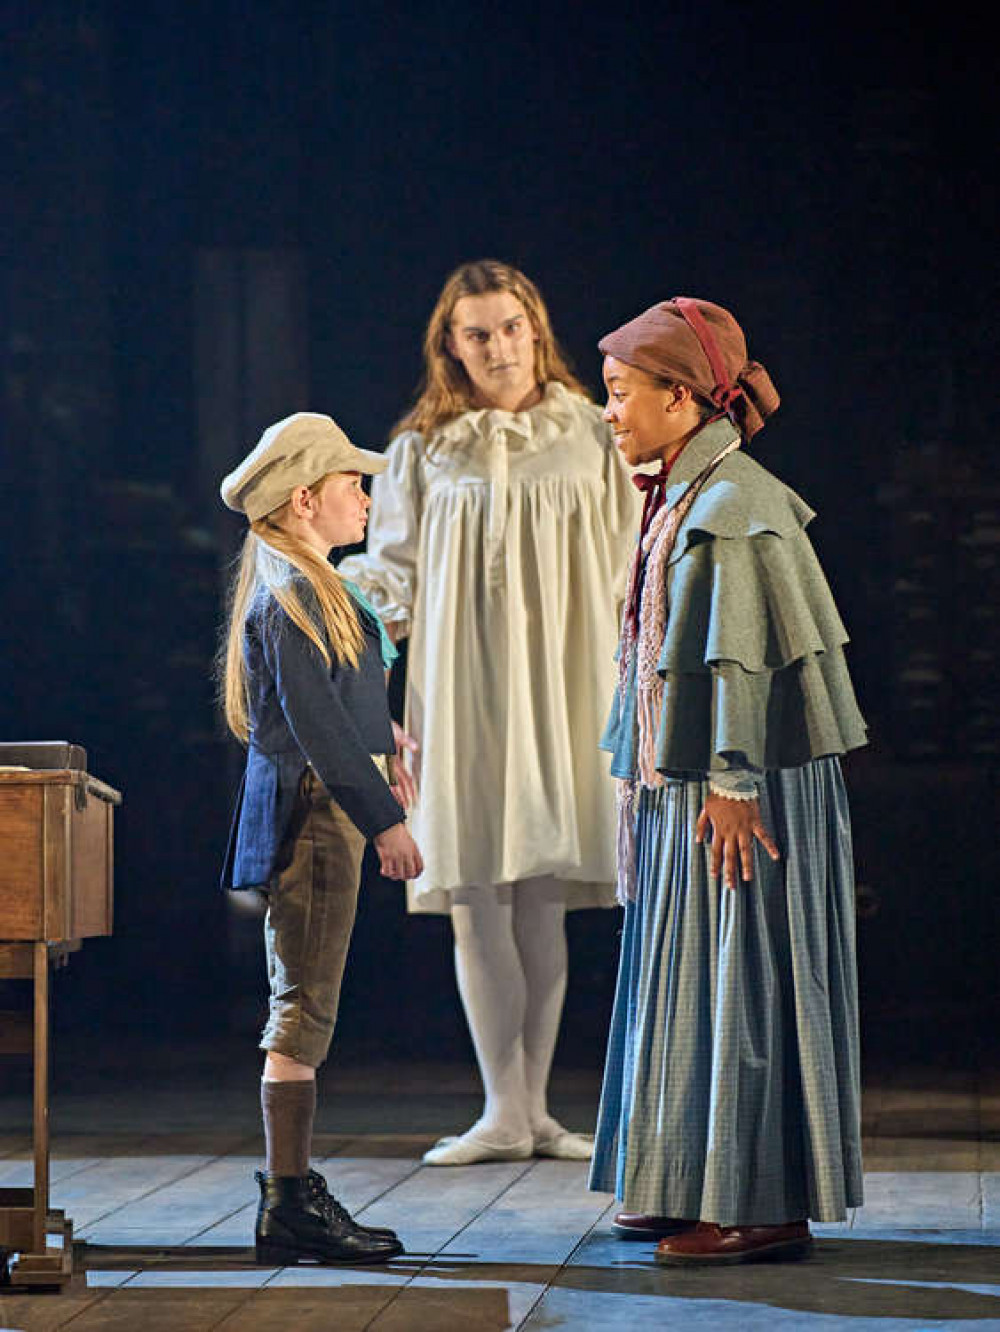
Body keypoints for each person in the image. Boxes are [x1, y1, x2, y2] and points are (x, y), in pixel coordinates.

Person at [339, 260, 640, 1165]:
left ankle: (538, 1110)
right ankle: (499, 1109)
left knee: (542, 897)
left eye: (511, 326)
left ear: (536, 328)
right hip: (461, 689)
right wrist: (330, 606)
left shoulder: (592, 434)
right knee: (475, 894)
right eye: (478, 333)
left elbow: (635, 560)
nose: (499, 346)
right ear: (451, 347)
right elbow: (388, 577)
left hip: (566, 682)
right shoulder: (423, 452)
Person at [589, 297, 868, 1264]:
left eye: (622, 394)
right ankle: (680, 1180)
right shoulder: (684, 491)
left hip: (737, 787)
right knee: (692, 972)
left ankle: (759, 1199)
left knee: (742, 973)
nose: (610, 412)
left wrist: (733, 782)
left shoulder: (734, 506)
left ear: (682, 395)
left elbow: (740, 662)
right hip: (694, 778)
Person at [219, 411, 423, 1263]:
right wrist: (387, 819)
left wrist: (391, 743)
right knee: (301, 1009)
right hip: (314, 816)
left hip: (328, 803)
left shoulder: (318, 586)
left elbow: (346, 702)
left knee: (310, 1005)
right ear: (305, 501)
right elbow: (315, 731)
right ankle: (289, 1203)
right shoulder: (291, 596)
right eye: (353, 485)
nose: (366, 500)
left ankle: (293, 1197)